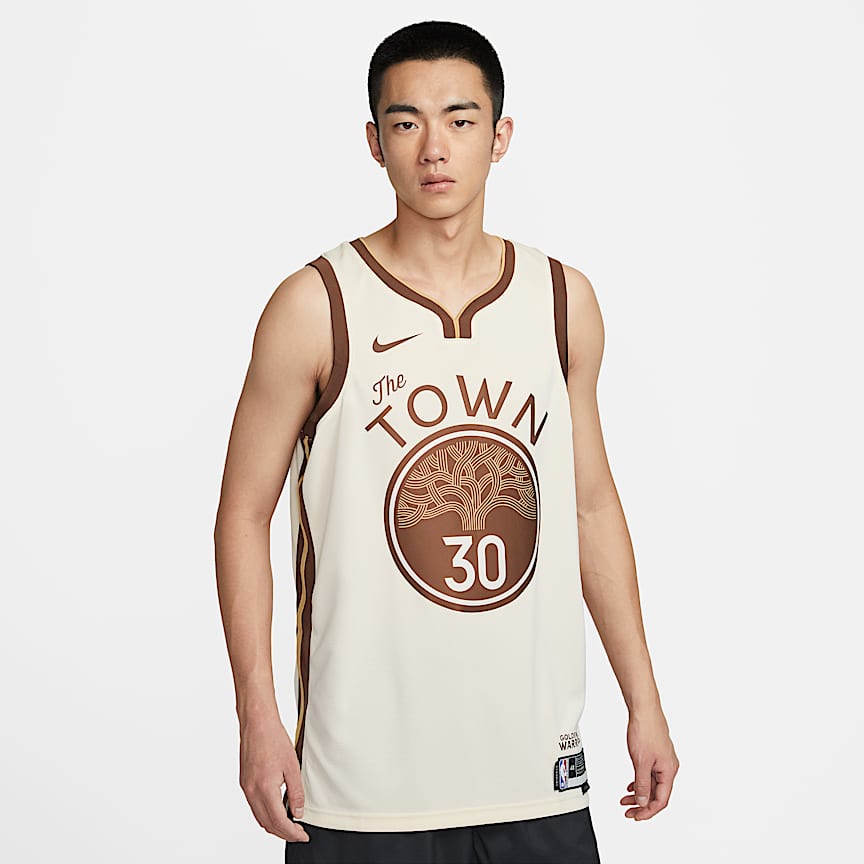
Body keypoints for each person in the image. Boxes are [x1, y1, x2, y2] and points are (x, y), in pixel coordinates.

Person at [213, 19, 679, 864]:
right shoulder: (316, 305)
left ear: (499, 136)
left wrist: (643, 702)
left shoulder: (561, 300)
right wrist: (256, 715)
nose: (434, 147)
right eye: (406, 122)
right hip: (359, 789)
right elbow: (242, 514)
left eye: (461, 120)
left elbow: (589, 506)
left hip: (534, 774)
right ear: (374, 142)